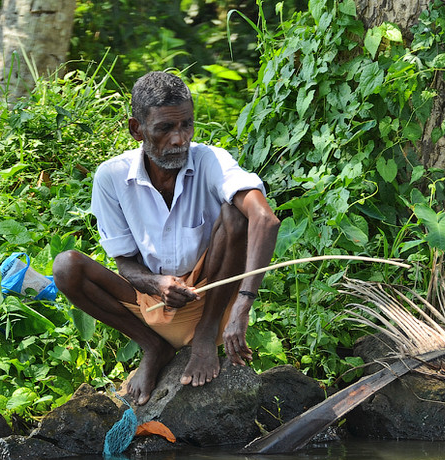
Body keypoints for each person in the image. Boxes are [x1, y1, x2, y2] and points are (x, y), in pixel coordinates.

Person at [53, 71, 280, 406]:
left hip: (212, 295)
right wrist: (156, 283)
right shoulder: (112, 176)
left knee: (236, 213)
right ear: (137, 129)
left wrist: (243, 306)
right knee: (65, 266)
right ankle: (153, 346)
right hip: (155, 302)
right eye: (165, 128)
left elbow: (265, 219)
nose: (179, 139)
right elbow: (125, 265)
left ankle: (205, 334)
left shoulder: (210, 160)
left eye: (186, 125)